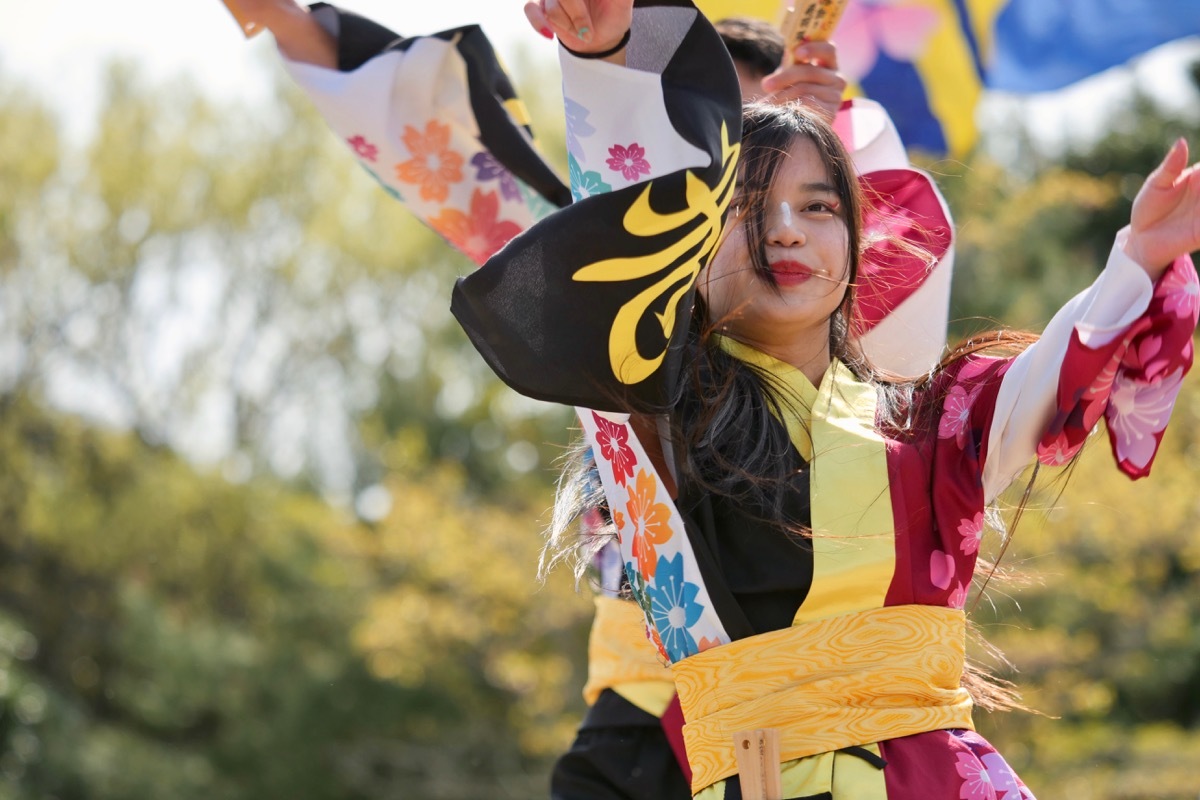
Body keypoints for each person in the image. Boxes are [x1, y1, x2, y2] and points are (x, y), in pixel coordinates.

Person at [449, 0, 1200, 797]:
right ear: (686, 247)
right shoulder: (655, 418)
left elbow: (1051, 370)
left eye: (819, 208)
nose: (788, 232)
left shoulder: (928, 424)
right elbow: (621, 266)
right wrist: (601, 58)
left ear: (857, 239)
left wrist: (1136, 258)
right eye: (745, 208)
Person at [228, 3, 952, 796]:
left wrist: (825, 144)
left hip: (826, 725)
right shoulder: (595, 262)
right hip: (649, 699)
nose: (729, 183)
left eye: (769, 162)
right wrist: (283, 20)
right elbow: (442, 146)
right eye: (718, 158)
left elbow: (904, 343)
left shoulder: (831, 265)